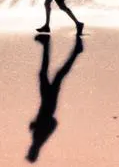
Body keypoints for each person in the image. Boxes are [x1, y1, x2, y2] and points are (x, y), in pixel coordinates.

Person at [26, 34, 84, 163]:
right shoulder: (40, 140)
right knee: (56, 75)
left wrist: (36, 124)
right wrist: (40, 122)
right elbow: (53, 123)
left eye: (29, 152)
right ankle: (73, 51)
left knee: (50, 75)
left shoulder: (37, 140)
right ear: (33, 152)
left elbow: (49, 124)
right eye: (30, 152)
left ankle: (48, 45)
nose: (29, 150)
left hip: (47, 103)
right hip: (49, 104)